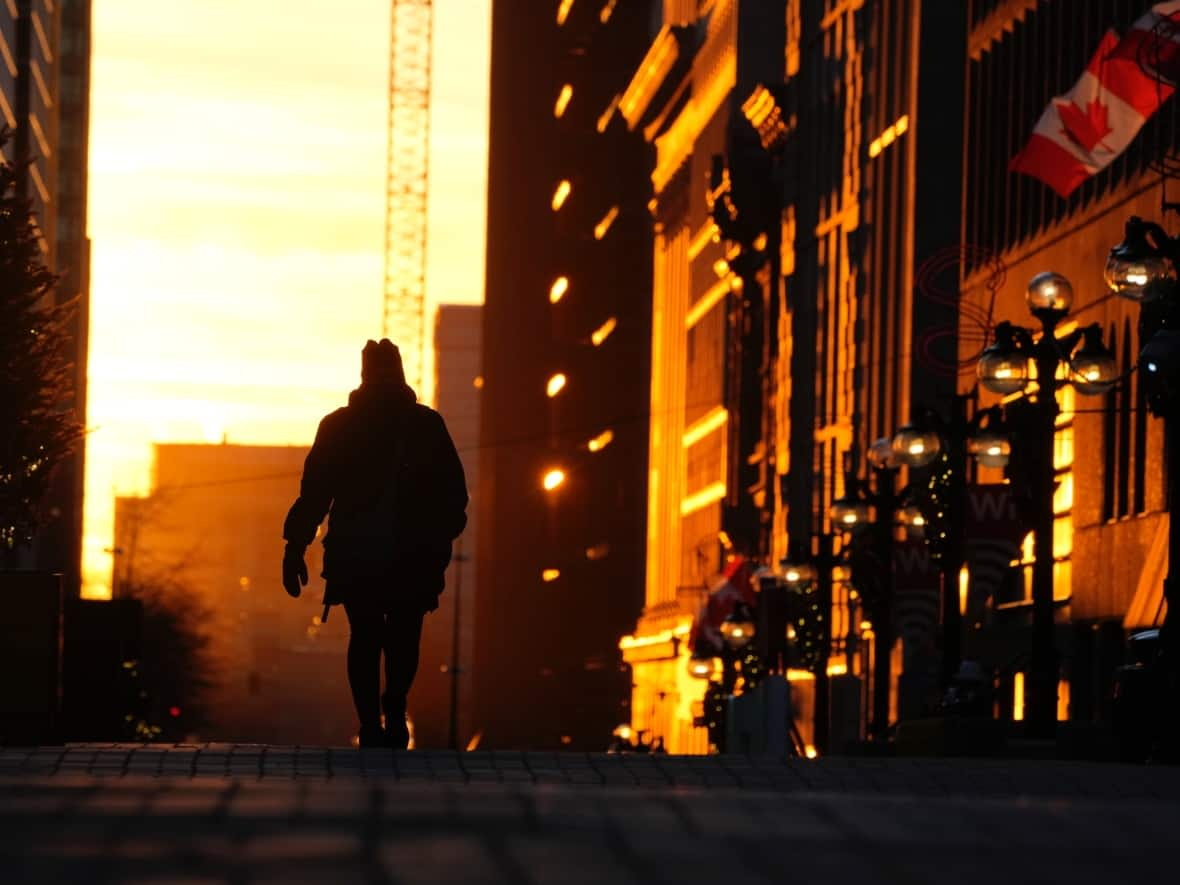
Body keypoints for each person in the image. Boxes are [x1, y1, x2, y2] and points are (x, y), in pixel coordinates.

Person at [282, 338, 467, 748]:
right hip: (411, 555)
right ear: (401, 373)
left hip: (356, 552)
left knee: (365, 635)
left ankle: (370, 723)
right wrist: (439, 538)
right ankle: (394, 709)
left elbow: (315, 494)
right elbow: (454, 495)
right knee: (403, 634)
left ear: (362, 374)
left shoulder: (339, 426)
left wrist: (295, 546)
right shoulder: (426, 425)